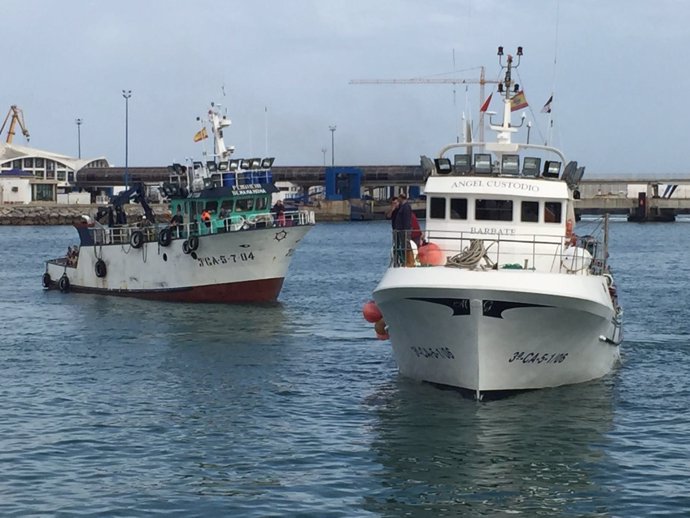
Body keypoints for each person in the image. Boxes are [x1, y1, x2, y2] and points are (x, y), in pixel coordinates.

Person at [393, 193, 412, 266]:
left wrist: (406, 230)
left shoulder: (406, 207)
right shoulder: (402, 207)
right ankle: (405, 261)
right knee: (403, 246)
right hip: (401, 231)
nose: (398, 200)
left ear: (402, 198)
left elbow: (406, 220)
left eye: (399, 198)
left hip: (404, 231)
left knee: (406, 246)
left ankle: (408, 261)